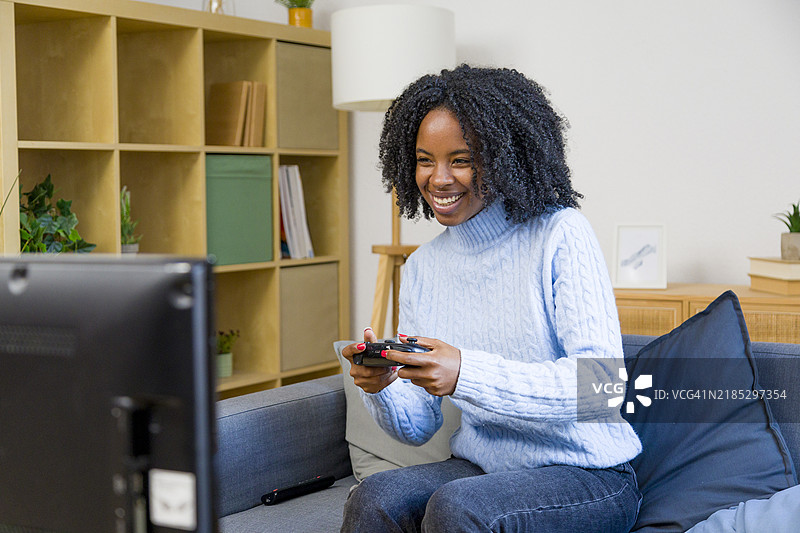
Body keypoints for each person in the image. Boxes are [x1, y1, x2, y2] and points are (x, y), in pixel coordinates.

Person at [340, 64, 642, 533]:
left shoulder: (561, 234)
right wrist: (382, 389)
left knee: (458, 508)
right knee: (375, 497)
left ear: (504, 157)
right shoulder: (423, 267)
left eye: (460, 159)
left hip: (587, 474)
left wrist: (466, 372)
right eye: (424, 160)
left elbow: (603, 389)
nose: (439, 179)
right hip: (483, 468)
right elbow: (419, 425)